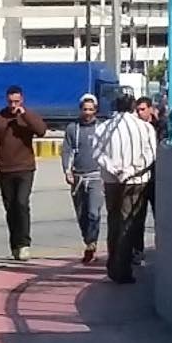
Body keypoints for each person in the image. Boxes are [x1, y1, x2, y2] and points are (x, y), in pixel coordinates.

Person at [93, 95, 157, 285]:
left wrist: (114, 169)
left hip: (112, 181)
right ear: (132, 107)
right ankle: (123, 269)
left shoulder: (103, 128)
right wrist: (130, 171)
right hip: (136, 181)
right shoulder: (145, 127)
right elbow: (150, 154)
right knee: (129, 224)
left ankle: (114, 266)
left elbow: (97, 152)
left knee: (114, 222)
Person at [0, 85, 47, 261]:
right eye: (11, 102)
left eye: (16, 102)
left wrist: (24, 115)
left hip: (25, 167)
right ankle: (15, 245)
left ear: (22, 100)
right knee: (10, 208)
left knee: (21, 203)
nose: (13, 105)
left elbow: (41, 131)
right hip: (6, 168)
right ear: (6, 100)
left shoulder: (28, 116)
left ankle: (24, 244)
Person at [61, 94, 103, 265]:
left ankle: (91, 244)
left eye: (91, 110)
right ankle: (87, 239)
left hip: (96, 176)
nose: (88, 113)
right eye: (85, 109)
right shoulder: (72, 129)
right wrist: (67, 171)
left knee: (94, 212)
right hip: (78, 178)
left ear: (96, 110)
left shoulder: (102, 128)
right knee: (81, 214)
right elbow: (67, 151)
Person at [135, 95, 162, 238]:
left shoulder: (161, 126)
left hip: (157, 178)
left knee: (160, 215)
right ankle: (137, 255)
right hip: (141, 178)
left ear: (150, 109)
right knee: (138, 218)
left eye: (143, 109)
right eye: (138, 110)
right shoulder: (135, 129)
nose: (140, 113)